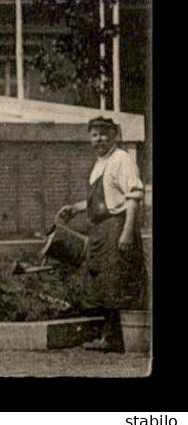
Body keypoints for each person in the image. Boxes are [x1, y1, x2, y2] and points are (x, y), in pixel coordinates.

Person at [57, 116, 148, 352]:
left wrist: (127, 232)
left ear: (114, 135)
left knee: (117, 280)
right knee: (103, 282)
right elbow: (105, 199)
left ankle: (118, 339)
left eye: (104, 134)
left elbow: (133, 196)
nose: (99, 139)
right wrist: (75, 209)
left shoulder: (121, 159)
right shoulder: (100, 162)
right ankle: (108, 337)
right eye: (94, 134)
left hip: (116, 228)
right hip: (101, 230)